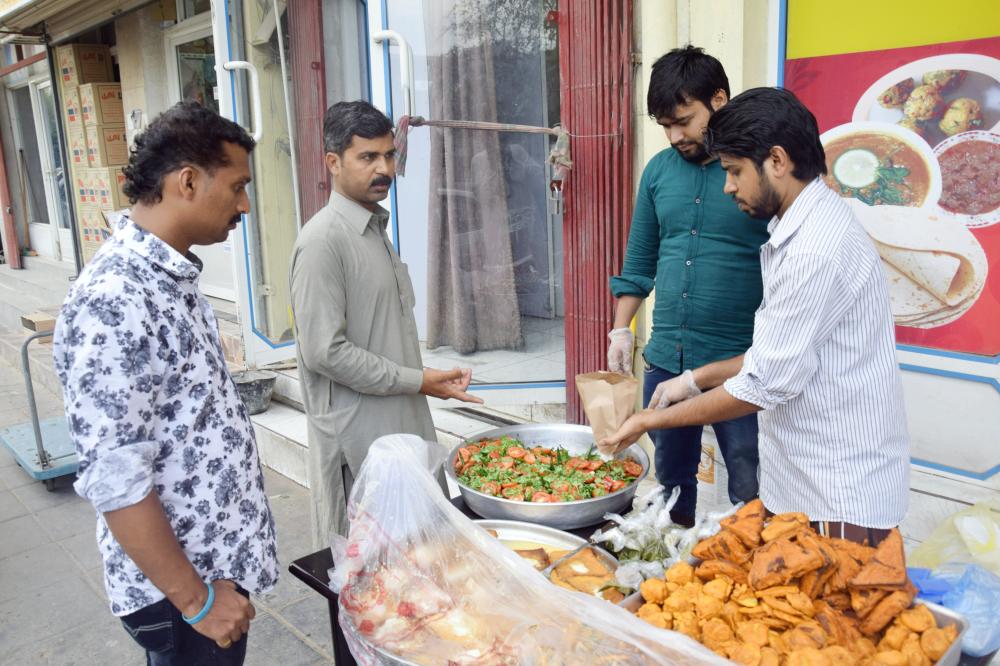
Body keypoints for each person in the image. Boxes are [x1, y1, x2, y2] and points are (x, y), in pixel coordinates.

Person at [601, 87, 910, 545]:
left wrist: (648, 421)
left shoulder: (814, 249)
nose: (728, 187)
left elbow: (764, 382)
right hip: (807, 482)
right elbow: (776, 356)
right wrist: (694, 379)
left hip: (838, 495)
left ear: (778, 161)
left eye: (734, 171)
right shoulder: (798, 227)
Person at [53, 101, 278, 664]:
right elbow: (114, 476)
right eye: (237, 187)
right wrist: (198, 602)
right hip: (182, 596)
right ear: (187, 181)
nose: (244, 205)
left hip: (212, 572)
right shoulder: (115, 297)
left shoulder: (168, 274)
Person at [290, 100, 483, 546]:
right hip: (361, 448)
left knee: (417, 568)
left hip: (402, 432)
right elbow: (325, 352)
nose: (385, 169)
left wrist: (422, 381)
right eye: (368, 157)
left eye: (389, 155)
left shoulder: (375, 230)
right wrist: (418, 380)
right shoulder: (323, 243)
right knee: (365, 578)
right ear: (333, 163)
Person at [607, 46, 767, 526]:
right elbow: (640, 260)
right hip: (668, 357)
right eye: (664, 126)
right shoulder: (658, 171)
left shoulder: (758, 171)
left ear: (718, 100)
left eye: (683, 120)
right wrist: (621, 330)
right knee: (672, 482)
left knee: (750, 480)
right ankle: (671, 574)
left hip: (740, 364)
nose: (675, 136)